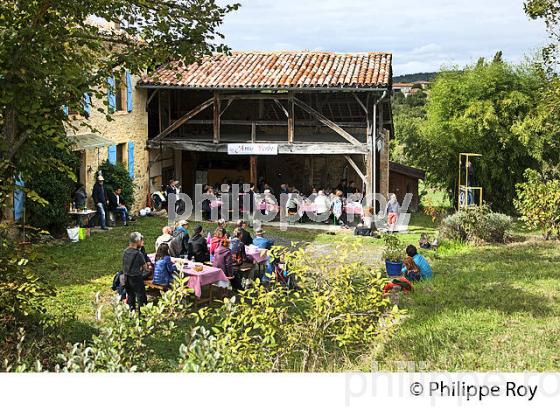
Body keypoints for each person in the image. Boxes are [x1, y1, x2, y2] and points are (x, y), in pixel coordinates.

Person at [122, 232, 149, 313]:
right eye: (141, 241)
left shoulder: (125, 251)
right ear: (137, 242)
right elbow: (145, 268)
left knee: (130, 295)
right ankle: (142, 315)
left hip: (126, 276)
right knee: (141, 297)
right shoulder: (138, 254)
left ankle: (132, 311)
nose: (142, 242)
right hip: (136, 277)